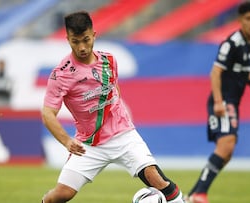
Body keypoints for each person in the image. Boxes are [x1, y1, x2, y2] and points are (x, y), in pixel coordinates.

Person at [41, 11, 186, 203]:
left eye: (86, 39)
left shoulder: (109, 60)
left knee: (156, 178)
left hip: (123, 135)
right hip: (88, 145)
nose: (82, 47)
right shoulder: (61, 74)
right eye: (76, 41)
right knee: (60, 196)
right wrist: (67, 142)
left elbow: (114, 89)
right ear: (67, 39)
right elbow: (47, 113)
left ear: (94, 34)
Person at [186, 2, 250, 203]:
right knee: (225, 146)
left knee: (227, 153)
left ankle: (192, 195)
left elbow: (244, 67)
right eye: (248, 18)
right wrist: (219, 102)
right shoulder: (231, 43)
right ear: (240, 20)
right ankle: (199, 193)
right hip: (223, 101)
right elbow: (216, 72)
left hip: (234, 102)